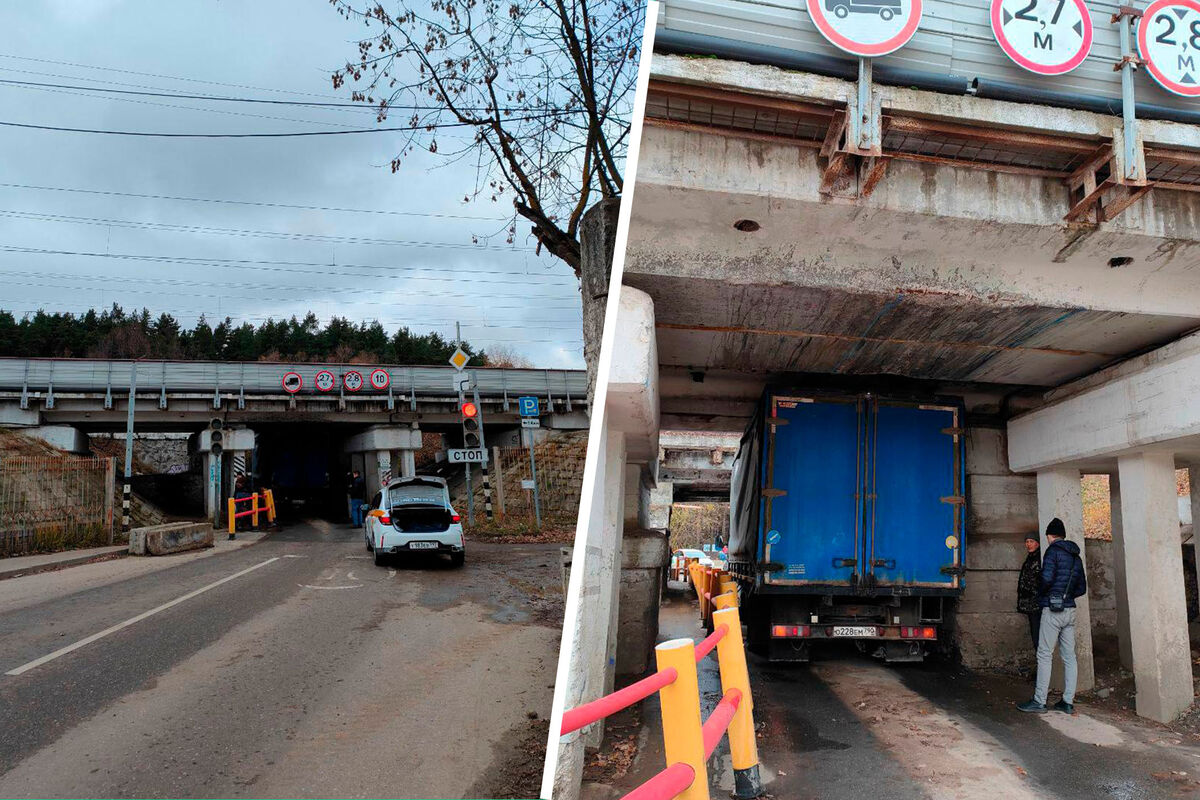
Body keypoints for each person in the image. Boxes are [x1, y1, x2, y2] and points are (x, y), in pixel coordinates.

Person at [1018, 517, 1087, 715]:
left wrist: (1043, 595)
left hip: (1052, 610)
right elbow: (1081, 587)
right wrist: (1067, 596)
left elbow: (1046, 578)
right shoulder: (1076, 556)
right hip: (1070, 610)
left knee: (1044, 654)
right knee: (1069, 656)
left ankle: (1039, 701)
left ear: (1049, 535)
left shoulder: (1052, 552)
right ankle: (1067, 701)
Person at [1016, 532, 1042, 652]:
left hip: (1037, 604)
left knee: (1038, 637)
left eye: (1031, 541)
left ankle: (1044, 667)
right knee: (1035, 635)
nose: (1028, 544)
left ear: (1038, 543)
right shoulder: (1030, 558)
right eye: (1027, 542)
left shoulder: (1039, 559)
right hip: (1031, 605)